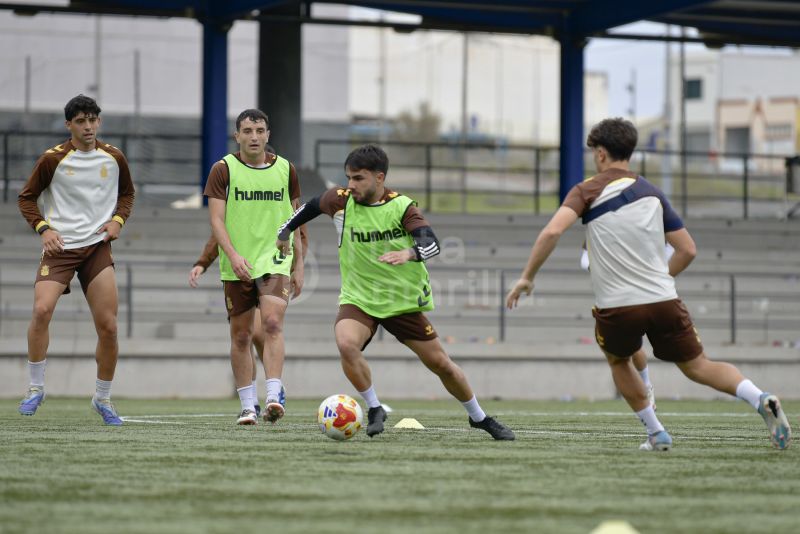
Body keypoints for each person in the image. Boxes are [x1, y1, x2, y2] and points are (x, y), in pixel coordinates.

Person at [506, 117, 791, 451]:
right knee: (699, 366)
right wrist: (658, 281)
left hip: (618, 306)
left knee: (618, 360)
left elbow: (553, 231)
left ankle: (656, 432)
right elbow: (688, 249)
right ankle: (760, 398)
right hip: (663, 300)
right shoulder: (653, 194)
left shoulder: (587, 190)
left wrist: (527, 277)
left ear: (600, 153)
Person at [276, 144, 515, 440]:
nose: (351, 185)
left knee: (442, 364)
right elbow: (307, 208)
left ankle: (479, 417)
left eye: (359, 178)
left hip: (401, 302)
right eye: (349, 177)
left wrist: (410, 254)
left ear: (379, 178)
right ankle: (375, 407)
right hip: (359, 298)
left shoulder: (402, 207)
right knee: (346, 343)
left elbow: (432, 243)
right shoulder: (339, 201)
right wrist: (284, 232)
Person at [17, 94, 135, 425]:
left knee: (109, 327)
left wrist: (118, 221)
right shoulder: (52, 159)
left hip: (97, 248)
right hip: (60, 249)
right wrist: (44, 229)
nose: (88, 126)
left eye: (92, 120)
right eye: (80, 121)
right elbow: (26, 198)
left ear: (99, 122)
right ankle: (35, 388)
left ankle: (103, 397)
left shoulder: (113, 157)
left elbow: (127, 194)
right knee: (41, 310)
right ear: (69, 125)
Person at [204, 109, 304, 426]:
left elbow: (297, 220)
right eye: (247, 131)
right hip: (238, 262)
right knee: (242, 336)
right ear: (237, 136)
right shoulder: (223, 170)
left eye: (260, 130)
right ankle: (249, 406)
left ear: (268, 134)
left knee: (272, 323)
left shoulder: (286, 170)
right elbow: (216, 221)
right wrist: (233, 255)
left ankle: (273, 394)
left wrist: (299, 264)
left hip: (275, 259)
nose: (254, 136)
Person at [580, 242, 660, 409]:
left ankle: (646, 386)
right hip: (607, 305)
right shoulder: (595, 246)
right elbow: (586, 262)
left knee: (630, 349)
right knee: (616, 355)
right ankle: (644, 390)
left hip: (628, 301)